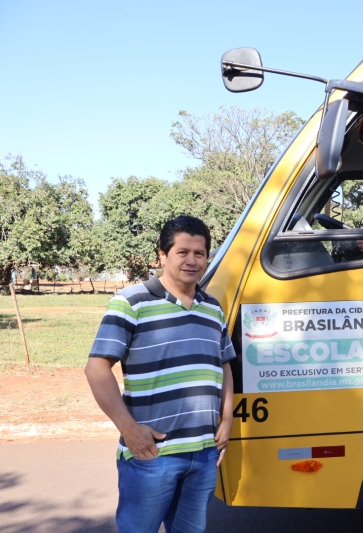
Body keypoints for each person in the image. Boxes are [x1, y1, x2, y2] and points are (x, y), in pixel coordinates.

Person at [84, 216, 235, 533]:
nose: (192, 261)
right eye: (182, 252)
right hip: (153, 455)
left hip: (203, 454)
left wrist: (227, 419)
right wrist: (129, 429)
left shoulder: (212, 308)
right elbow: (96, 368)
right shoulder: (131, 302)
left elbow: (224, 364)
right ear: (162, 256)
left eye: (199, 253)